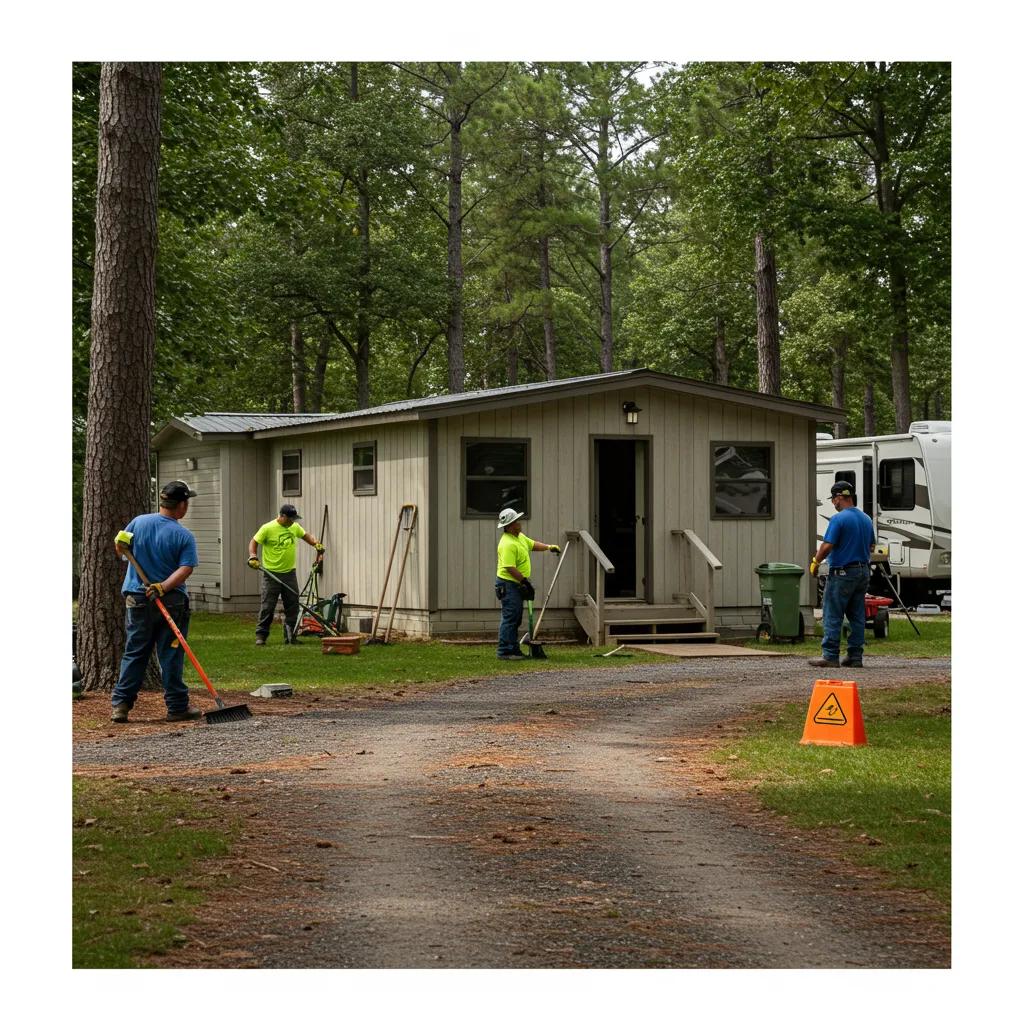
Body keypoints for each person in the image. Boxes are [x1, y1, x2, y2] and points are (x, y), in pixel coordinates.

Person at [110, 480, 201, 723]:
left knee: (136, 651)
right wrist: (164, 587)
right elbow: (186, 568)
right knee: (170, 653)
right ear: (182, 505)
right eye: (187, 502)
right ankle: (177, 706)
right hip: (171, 601)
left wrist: (120, 546)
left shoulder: (138, 522)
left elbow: (120, 546)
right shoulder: (183, 535)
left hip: (137, 598)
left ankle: (121, 704)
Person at [809, 480, 875, 668]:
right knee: (856, 615)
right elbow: (871, 545)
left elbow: (827, 545)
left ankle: (830, 656)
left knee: (833, 612)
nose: (833, 504)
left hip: (842, 572)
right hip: (862, 571)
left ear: (839, 497)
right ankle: (855, 656)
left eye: (833, 499)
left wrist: (816, 561)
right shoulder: (866, 518)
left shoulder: (839, 519)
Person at [248, 503, 325, 645]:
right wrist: (253, 556)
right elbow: (254, 541)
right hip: (271, 574)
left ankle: (290, 636)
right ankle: (261, 636)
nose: (292, 521)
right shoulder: (267, 528)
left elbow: (306, 536)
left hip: (289, 573)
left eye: (294, 519)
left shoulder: (294, 527)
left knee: (292, 605)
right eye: (290, 518)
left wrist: (316, 544)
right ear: (282, 516)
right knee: (268, 606)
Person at [495, 508, 561, 660]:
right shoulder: (507, 544)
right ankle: (505, 651)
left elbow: (532, 544)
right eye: (516, 521)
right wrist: (524, 582)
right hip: (508, 584)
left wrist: (548, 547)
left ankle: (514, 649)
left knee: (516, 617)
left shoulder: (519, 537)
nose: (519, 523)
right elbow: (509, 567)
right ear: (511, 525)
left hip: (516, 583)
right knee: (510, 617)